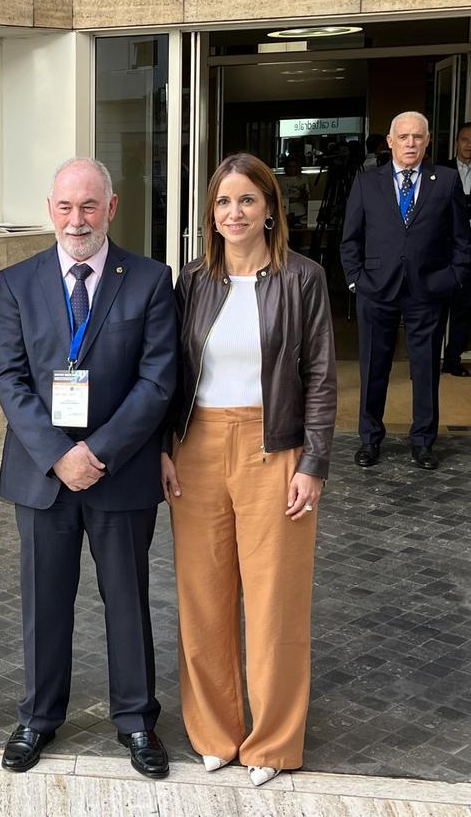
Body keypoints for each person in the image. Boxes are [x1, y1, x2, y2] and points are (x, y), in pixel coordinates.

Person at [0, 158, 176, 778]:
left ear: (112, 207)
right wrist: (58, 455)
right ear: (51, 209)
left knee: (126, 600)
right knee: (44, 602)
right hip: (43, 475)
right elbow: (10, 380)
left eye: (89, 206)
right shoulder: (17, 282)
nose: (78, 220)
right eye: (67, 207)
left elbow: (157, 381)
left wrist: (97, 453)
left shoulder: (150, 280)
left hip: (118, 472)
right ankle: (39, 718)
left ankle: (136, 721)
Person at [162, 152, 337, 787]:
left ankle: (273, 741)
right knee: (203, 599)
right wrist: (163, 446)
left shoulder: (304, 278)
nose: (234, 213)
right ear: (211, 213)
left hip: (276, 446)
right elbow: (172, 374)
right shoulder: (193, 282)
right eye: (223, 202)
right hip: (198, 447)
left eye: (247, 201)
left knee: (275, 602)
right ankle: (215, 731)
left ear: (270, 208)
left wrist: (313, 462)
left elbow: (319, 376)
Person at [340, 111, 471, 469]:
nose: (410, 143)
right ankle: (370, 439)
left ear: (428, 141)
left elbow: (462, 238)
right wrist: (356, 280)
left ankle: (423, 442)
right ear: (390, 142)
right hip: (376, 289)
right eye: (404, 137)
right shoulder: (368, 182)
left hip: (428, 289)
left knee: (426, 367)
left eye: (418, 137)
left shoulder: (444, 181)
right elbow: (350, 238)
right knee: (373, 366)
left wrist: (454, 276)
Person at [440, 122, 471, 376]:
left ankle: (452, 360)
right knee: (436, 311)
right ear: (456, 143)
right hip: (443, 252)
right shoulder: (441, 171)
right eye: (464, 139)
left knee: (463, 310)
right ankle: (427, 362)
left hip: (468, 254)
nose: (469, 144)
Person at [277, 157, 310, 228]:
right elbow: (278, 198)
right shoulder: (279, 179)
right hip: (284, 212)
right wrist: (296, 199)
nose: (291, 169)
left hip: (300, 212)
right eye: (289, 166)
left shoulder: (303, 178)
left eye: (294, 166)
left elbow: (306, 197)